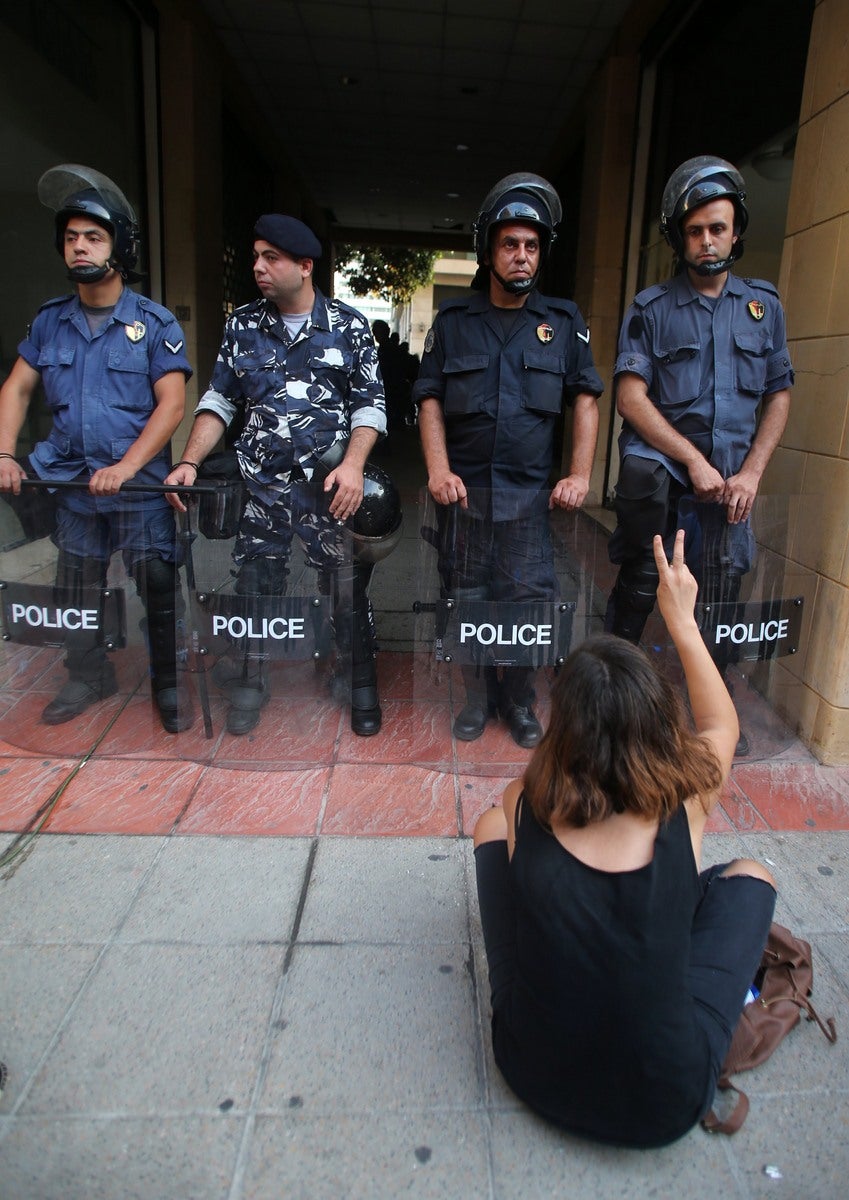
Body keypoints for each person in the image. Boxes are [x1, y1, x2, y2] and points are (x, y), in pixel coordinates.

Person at [473, 528, 777, 1147]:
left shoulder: (528, 800)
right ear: (658, 724)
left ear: (565, 728)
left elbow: (516, 819)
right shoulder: (688, 801)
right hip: (666, 1104)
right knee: (752, 873)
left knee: (490, 827)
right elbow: (720, 721)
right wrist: (682, 620)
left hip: (530, 1069)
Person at [165, 214, 387, 736]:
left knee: (344, 589)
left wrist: (354, 466)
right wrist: (189, 460)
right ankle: (250, 679)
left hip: (326, 490)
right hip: (260, 488)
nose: (259, 268)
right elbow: (219, 399)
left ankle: (358, 680)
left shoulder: (349, 325)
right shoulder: (242, 324)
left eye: (272, 258)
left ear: (305, 267)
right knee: (256, 588)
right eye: (257, 257)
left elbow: (371, 404)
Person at [606, 155, 793, 753]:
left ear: (736, 231)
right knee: (640, 579)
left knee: (720, 591)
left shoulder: (764, 306)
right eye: (695, 231)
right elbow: (631, 399)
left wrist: (753, 474)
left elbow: (779, 393)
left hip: (732, 482)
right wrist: (690, 458)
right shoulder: (650, 309)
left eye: (718, 228)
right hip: (668, 473)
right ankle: (608, 693)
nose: (707, 241)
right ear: (678, 237)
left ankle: (708, 701)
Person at [0, 164, 193, 733]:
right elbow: (16, 386)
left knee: (157, 583)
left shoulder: (152, 323)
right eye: (71, 238)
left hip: (134, 487)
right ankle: (86, 674)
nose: (79, 248)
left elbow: (172, 405)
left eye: (93, 237)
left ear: (119, 246)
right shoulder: (50, 322)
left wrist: (127, 467)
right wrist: (5, 453)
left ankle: (168, 681)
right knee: (76, 585)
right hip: (71, 483)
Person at [414, 172, 602, 748]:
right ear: (488, 251)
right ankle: (477, 697)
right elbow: (429, 400)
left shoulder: (563, 323)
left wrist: (579, 474)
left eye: (532, 245)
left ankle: (519, 700)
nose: (522, 256)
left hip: (527, 505)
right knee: (467, 598)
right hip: (463, 499)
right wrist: (438, 469)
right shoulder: (452, 324)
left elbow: (587, 400)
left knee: (527, 605)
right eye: (510, 244)